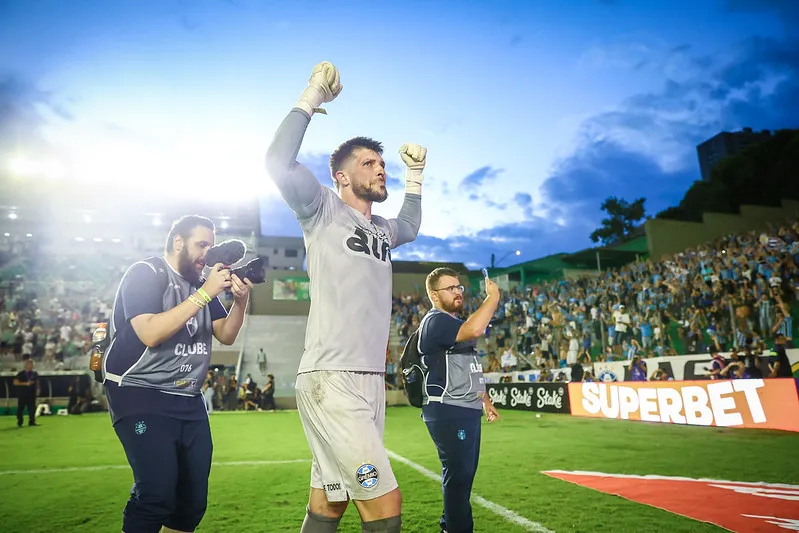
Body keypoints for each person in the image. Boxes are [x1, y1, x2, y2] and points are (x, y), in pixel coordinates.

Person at [265, 61, 424, 533]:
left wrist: (415, 175)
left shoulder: (381, 228)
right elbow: (277, 163)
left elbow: (411, 226)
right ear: (340, 176)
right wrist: (312, 95)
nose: (379, 170)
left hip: (369, 379)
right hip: (333, 378)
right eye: (368, 164)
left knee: (329, 504)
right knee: (384, 502)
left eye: (382, 164)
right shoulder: (322, 209)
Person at [102, 214, 252, 533]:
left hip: (187, 397)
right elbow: (150, 333)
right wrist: (205, 293)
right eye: (201, 245)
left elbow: (225, 334)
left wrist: (241, 302)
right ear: (178, 242)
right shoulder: (146, 272)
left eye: (211, 246)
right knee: (155, 494)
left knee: (191, 503)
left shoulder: (199, 284)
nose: (207, 254)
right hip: (139, 393)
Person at [417, 267, 502, 533]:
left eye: (458, 287)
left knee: (463, 478)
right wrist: (493, 298)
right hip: (448, 408)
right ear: (434, 294)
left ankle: (449, 526)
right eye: (450, 288)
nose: (457, 292)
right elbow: (477, 328)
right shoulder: (436, 321)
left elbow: (469, 365)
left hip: (464, 408)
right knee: (459, 479)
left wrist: (484, 399)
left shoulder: (453, 324)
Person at [14, 358, 39, 427]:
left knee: (32, 408)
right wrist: (25, 383)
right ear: (26, 365)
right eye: (30, 364)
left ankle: (32, 421)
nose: (31, 365)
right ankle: (20, 422)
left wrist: (38, 390)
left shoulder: (34, 373)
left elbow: (37, 382)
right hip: (22, 393)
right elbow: (15, 382)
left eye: (32, 364)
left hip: (31, 393)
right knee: (20, 408)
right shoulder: (21, 373)